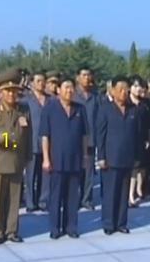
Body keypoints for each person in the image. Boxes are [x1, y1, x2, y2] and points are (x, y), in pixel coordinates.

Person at [0, 68, 32, 245]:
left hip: (17, 160)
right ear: (1, 92)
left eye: (14, 91)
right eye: (7, 91)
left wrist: (27, 157)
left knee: (14, 198)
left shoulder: (23, 110)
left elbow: (28, 135)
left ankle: (11, 230)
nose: (11, 94)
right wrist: (1, 137)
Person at [40, 77, 87, 239]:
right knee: (56, 196)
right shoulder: (50, 108)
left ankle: (71, 226)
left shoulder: (80, 109)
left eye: (71, 87)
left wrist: (85, 158)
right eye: (66, 87)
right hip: (56, 159)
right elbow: (45, 135)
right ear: (58, 90)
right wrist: (46, 158)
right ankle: (55, 227)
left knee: (73, 196)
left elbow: (83, 136)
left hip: (75, 159)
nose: (69, 90)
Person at [97, 76, 144, 235]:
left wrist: (137, 157)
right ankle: (109, 223)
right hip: (110, 159)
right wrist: (101, 157)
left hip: (127, 158)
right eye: (120, 90)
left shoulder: (133, 110)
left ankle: (121, 222)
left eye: (126, 89)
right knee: (110, 193)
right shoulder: (105, 109)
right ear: (113, 91)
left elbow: (138, 135)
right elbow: (100, 135)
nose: (124, 93)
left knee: (123, 193)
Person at [22, 72, 51, 212]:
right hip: (31, 142)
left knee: (44, 175)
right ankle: (30, 202)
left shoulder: (50, 100)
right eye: (38, 81)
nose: (41, 83)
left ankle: (43, 200)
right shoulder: (26, 100)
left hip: (47, 143)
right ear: (32, 83)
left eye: (43, 81)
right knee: (30, 175)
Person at [74, 66, 99, 211]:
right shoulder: (72, 95)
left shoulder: (95, 96)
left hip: (89, 138)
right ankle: (75, 199)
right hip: (75, 139)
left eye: (89, 75)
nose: (87, 78)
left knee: (89, 171)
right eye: (84, 75)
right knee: (75, 172)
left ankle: (86, 199)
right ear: (77, 77)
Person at [128, 75, 150, 206]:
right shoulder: (127, 103)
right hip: (128, 140)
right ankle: (130, 195)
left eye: (139, 86)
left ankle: (137, 191)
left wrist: (147, 138)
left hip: (140, 140)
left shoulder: (143, 104)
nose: (137, 89)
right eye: (135, 86)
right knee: (132, 169)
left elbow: (146, 124)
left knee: (139, 167)